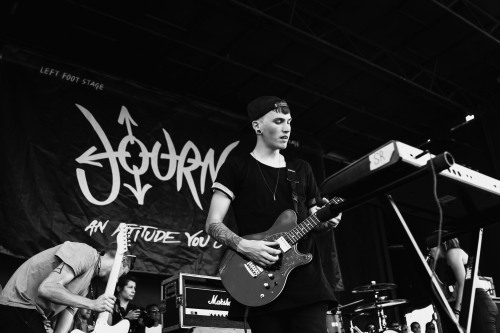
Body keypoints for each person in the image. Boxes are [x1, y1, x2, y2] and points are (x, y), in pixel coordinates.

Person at [205, 96, 342, 333]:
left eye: (289, 121)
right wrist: (245, 246)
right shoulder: (236, 167)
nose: (286, 128)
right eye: (278, 121)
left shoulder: (301, 169)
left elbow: (314, 222)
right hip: (260, 281)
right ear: (257, 126)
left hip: (306, 282)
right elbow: (212, 224)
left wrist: (327, 220)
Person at [0, 241, 133, 333]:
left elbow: (68, 314)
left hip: (31, 314)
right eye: (123, 274)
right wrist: (92, 304)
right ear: (121, 261)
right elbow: (47, 288)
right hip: (18, 306)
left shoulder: (86, 284)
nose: (118, 279)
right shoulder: (86, 253)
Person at [427, 231, 499, 333]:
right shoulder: (447, 260)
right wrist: (431, 273)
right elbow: (445, 293)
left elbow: (464, 284)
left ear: (441, 243)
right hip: (471, 305)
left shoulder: (453, 253)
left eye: (431, 246)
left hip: (477, 303)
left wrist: (456, 314)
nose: (429, 250)